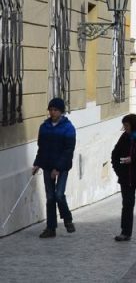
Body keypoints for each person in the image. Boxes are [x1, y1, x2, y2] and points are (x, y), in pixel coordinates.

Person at [32, 97, 76, 238]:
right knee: (50, 197)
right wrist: (37, 163)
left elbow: (68, 150)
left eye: (55, 110)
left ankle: (67, 219)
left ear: (61, 111)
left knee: (58, 194)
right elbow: (41, 147)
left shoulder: (68, 128)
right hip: (47, 165)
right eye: (50, 109)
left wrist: (57, 168)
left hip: (62, 167)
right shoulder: (44, 127)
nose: (52, 112)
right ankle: (51, 228)